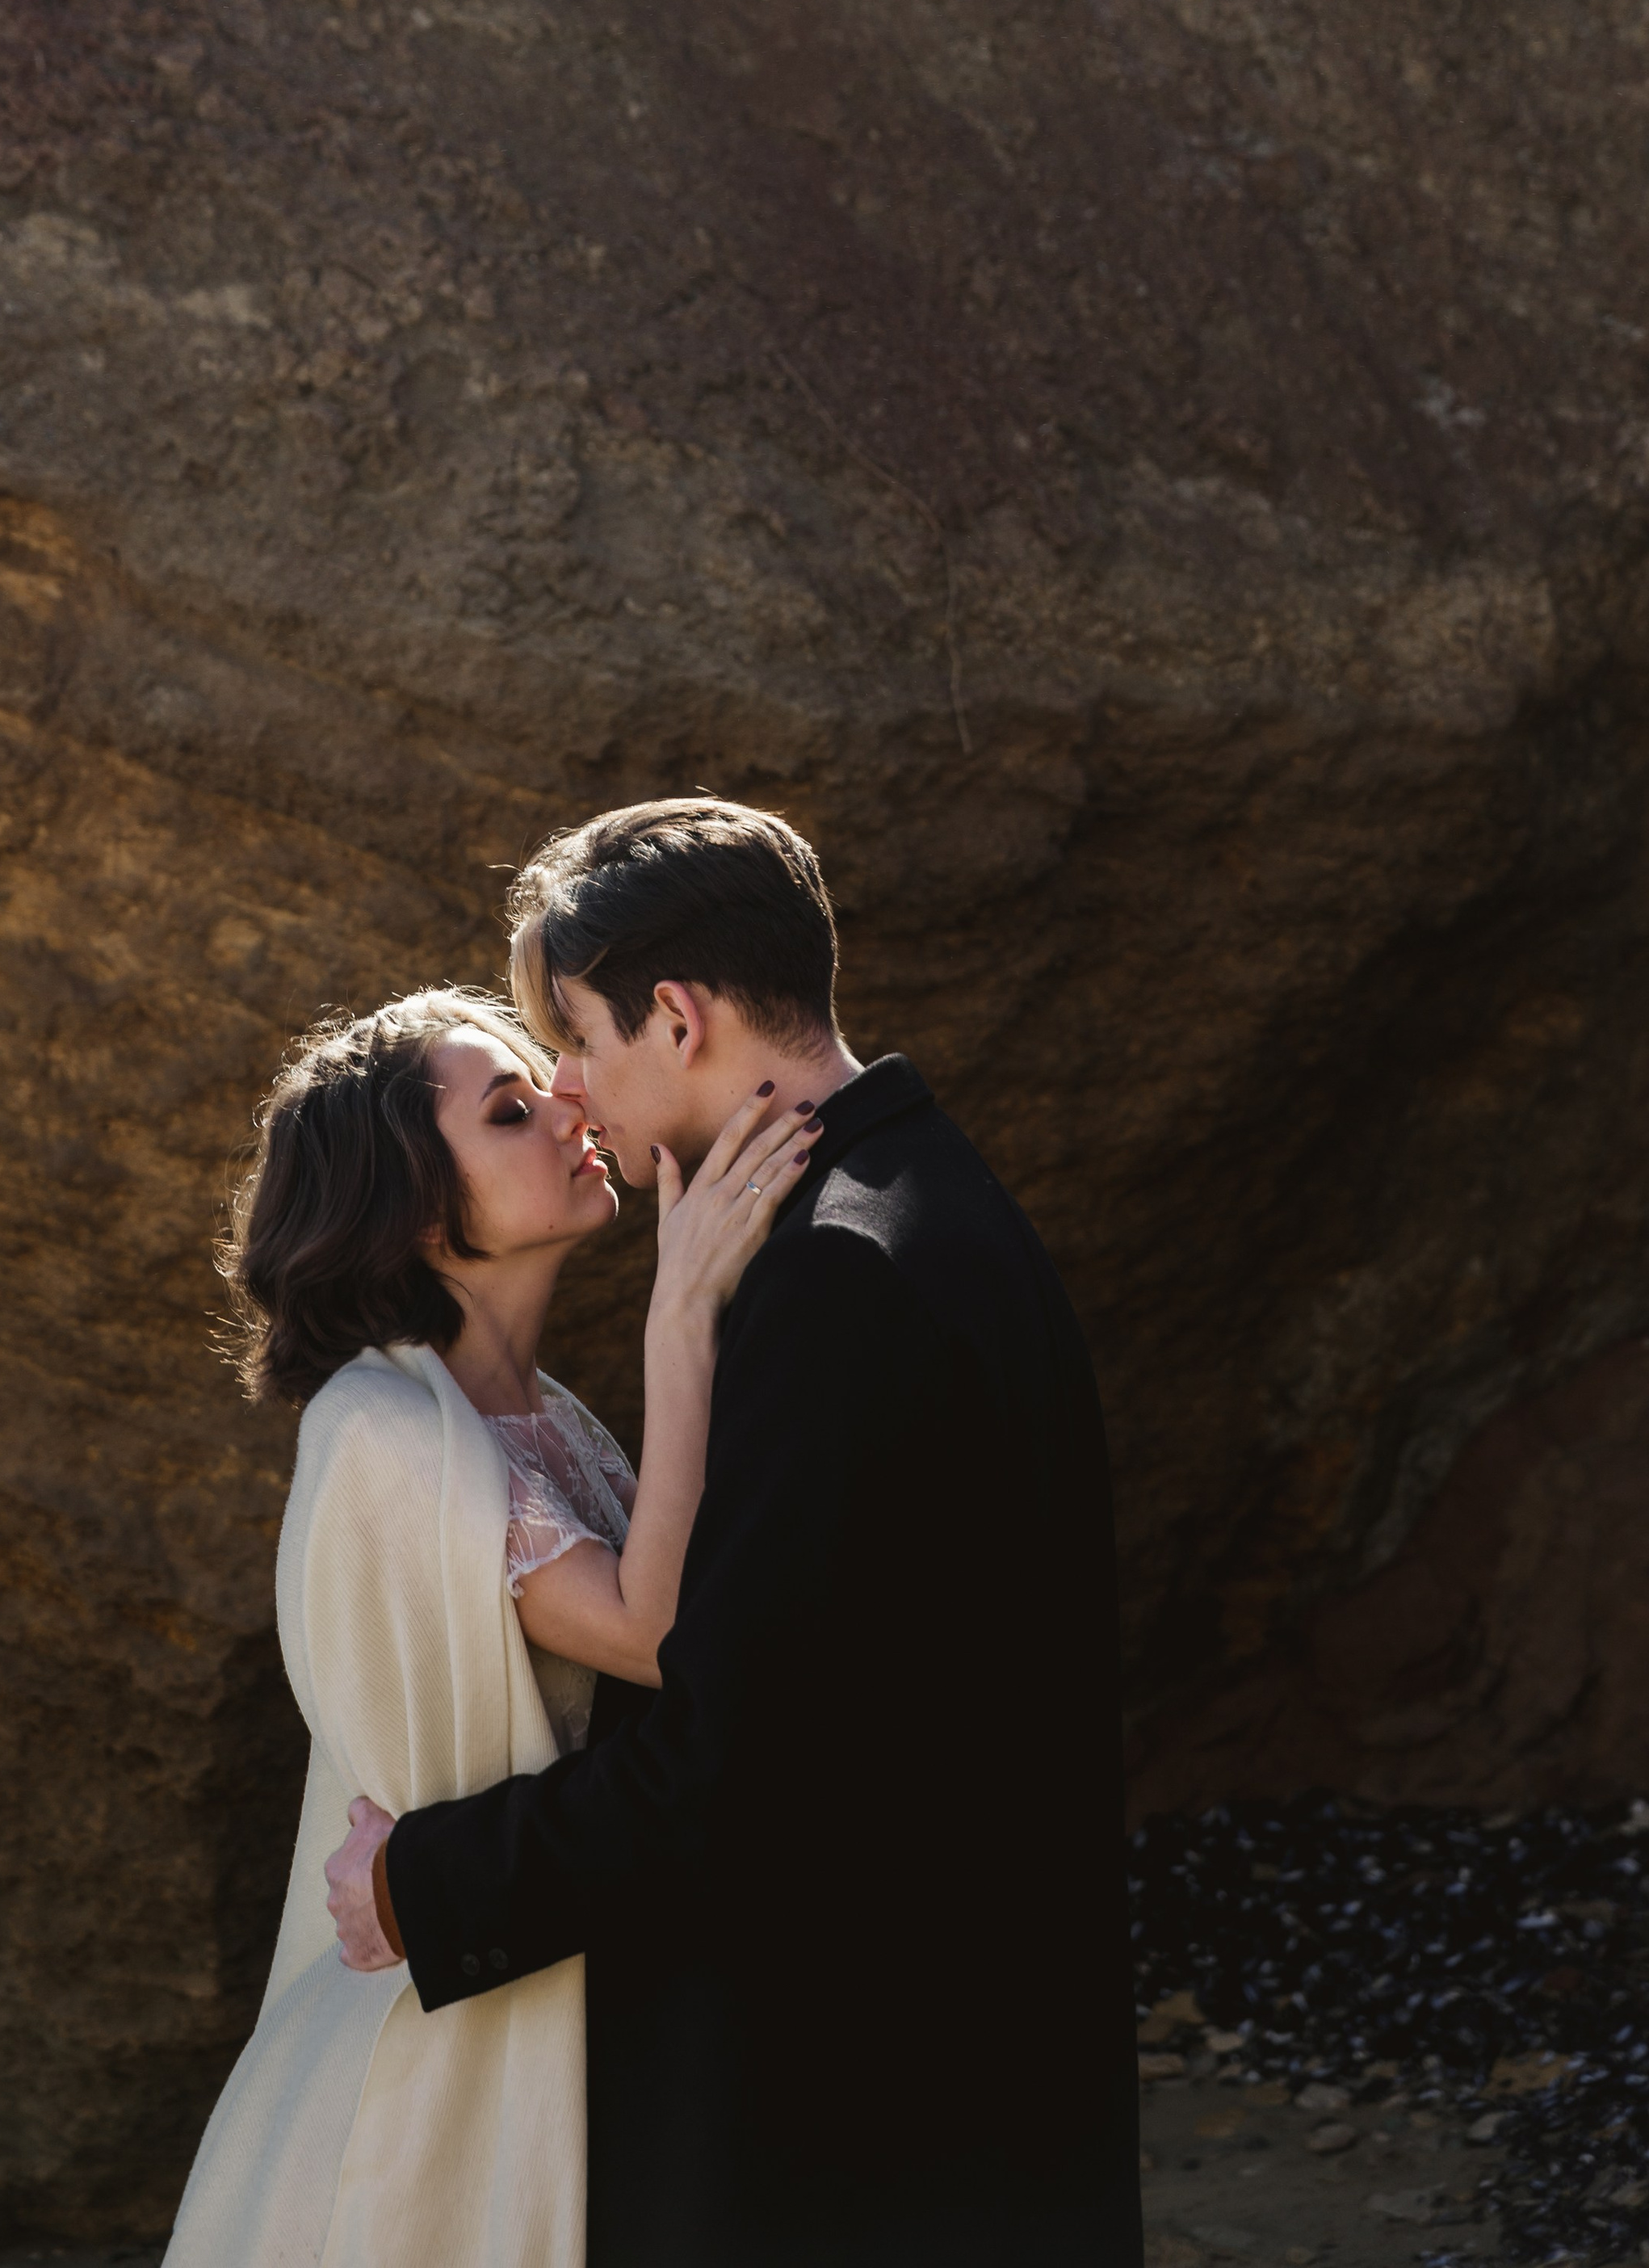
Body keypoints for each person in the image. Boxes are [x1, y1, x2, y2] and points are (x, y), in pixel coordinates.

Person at [326, 800, 1143, 2268]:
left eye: (574, 1036)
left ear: (680, 1019)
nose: (570, 1086)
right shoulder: (930, 1198)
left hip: (862, 2118)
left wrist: (422, 1885)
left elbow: (733, 1764)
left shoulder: (836, 1276)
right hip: (975, 2076)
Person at [160, 985, 810, 2268]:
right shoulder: (380, 1428)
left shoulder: (549, 1415)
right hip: (447, 2027)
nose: (568, 1104)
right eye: (512, 1109)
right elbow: (659, 1636)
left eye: (547, 1081)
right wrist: (682, 1319)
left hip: (565, 1958)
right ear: (414, 1211)